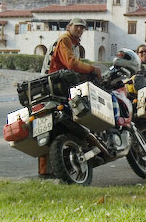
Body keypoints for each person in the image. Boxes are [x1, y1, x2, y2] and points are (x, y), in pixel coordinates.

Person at [38, 17, 102, 177]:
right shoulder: (65, 39)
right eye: (77, 27)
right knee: (80, 116)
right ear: (69, 27)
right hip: (55, 87)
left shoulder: (70, 43)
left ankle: (46, 172)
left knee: (51, 132)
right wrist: (93, 69)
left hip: (49, 86)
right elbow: (72, 64)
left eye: (82, 28)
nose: (80, 30)